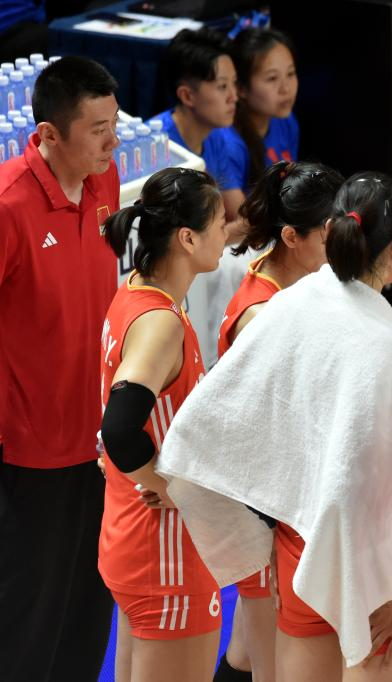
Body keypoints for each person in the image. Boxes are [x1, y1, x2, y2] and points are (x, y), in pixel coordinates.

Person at [154, 171, 392, 682]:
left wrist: (173, 480)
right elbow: (384, 476)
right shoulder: (383, 338)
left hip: (299, 555)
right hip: (373, 570)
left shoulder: (288, 304)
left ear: (330, 229)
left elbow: (209, 418)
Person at [0, 55, 120, 682]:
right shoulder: (8, 204)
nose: (113, 141)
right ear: (49, 133)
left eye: (115, 124)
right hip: (31, 452)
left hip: (98, 441)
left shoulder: (106, 181)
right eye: (98, 129)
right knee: (28, 619)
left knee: (88, 609)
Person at [214, 159, 343, 682]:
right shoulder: (262, 316)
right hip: (266, 506)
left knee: (247, 650)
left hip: (284, 498)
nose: (342, 242)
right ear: (292, 237)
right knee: (267, 661)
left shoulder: (297, 281)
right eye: (330, 233)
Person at [98, 167, 228, 681]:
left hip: (133, 538)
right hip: (165, 554)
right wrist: (171, 487)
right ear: (187, 238)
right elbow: (119, 429)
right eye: (219, 222)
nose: (227, 230)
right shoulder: (160, 324)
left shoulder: (135, 291)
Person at [154, 28, 247, 226]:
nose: (234, 97)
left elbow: (241, 216)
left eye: (234, 83)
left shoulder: (217, 136)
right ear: (187, 96)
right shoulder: (156, 147)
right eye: (222, 86)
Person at [230, 28, 299, 189]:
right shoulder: (228, 143)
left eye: (290, 73)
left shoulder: (287, 122)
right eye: (272, 78)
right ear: (241, 88)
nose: (286, 89)